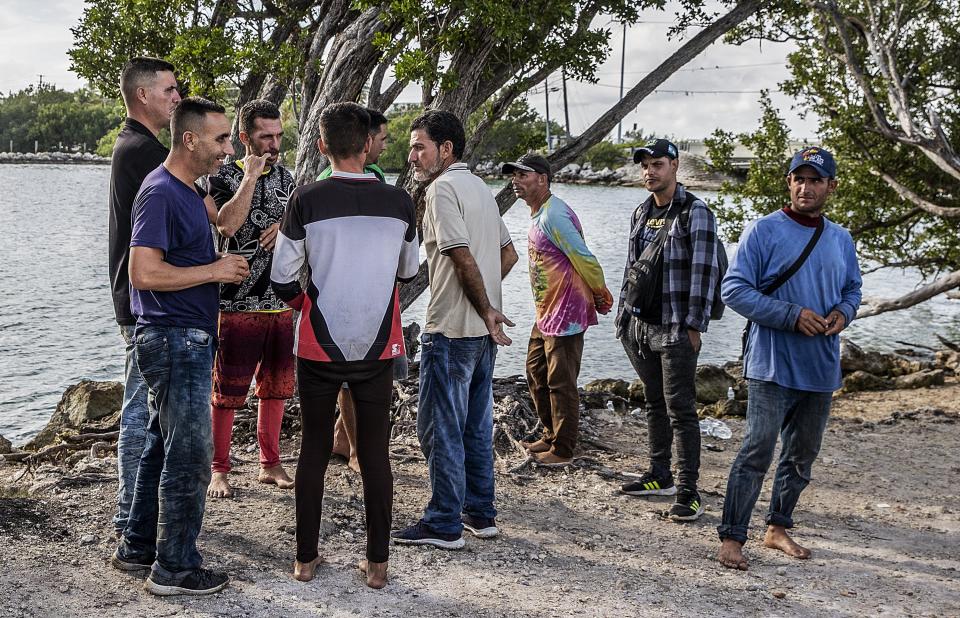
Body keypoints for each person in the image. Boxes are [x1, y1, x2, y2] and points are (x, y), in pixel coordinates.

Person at [270, 102, 419, 589]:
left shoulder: (305, 200)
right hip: (377, 344)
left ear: (322, 146)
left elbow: (282, 279)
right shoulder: (401, 203)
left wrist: (305, 304)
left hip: (319, 344)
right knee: (375, 453)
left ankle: (305, 561)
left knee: (313, 449)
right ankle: (378, 567)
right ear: (368, 144)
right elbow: (409, 272)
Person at [111, 97, 248, 596]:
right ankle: (174, 568)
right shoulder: (161, 191)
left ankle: (137, 546)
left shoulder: (190, 191)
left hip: (184, 337)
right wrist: (215, 269)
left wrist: (217, 264)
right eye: (220, 140)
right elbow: (143, 273)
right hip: (172, 339)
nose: (227, 150)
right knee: (191, 453)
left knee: (158, 445)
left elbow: (217, 231)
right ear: (189, 139)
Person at [717, 147, 861, 570]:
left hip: (820, 366)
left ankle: (778, 527)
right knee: (757, 449)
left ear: (831, 187)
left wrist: (843, 314)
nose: (805, 187)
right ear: (789, 183)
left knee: (801, 455)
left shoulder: (841, 238)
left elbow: (853, 289)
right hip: (771, 364)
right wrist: (793, 315)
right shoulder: (762, 231)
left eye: (815, 180)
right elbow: (734, 290)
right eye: (799, 178)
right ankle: (732, 536)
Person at [392, 110, 518, 550]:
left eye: (419, 146)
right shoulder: (480, 188)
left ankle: (444, 521)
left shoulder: (442, 188)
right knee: (475, 425)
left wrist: (480, 306)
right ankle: (480, 513)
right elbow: (507, 254)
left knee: (437, 425)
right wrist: (488, 307)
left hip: (451, 327)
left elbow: (461, 254)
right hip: (482, 333)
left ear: (446, 149)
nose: (411, 156)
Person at [615, 138, 722, 522]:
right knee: (653, 402)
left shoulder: (696, 213)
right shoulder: (641, 212)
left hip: (675, 327)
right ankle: (659, 474)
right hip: (639, 327)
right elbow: (633, 268)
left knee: (681, 409)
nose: (650, 171)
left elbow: (704, 274)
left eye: (657, 164)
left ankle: (689, 490)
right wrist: (624, 317)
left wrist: (695, 325)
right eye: (644, 165)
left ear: (675, 166)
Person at [205, 99, 297, 499]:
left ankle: (269, 462)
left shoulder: (289, 179)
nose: (274, 144)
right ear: (245, 138)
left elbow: (301, 229)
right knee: (226, 391)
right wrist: (251, 177)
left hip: (280, 301)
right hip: (233, 302)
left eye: (278, 136)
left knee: (276, 387)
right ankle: (218, 468)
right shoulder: (222, 175)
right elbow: (226, 225)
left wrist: (283, 228)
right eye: (266, 137)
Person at [108, 57, 181, 537]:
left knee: (150, 407)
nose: (177, 97)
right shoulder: (142, 152)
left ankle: (138, 510)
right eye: (169, 90)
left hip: (140, 298)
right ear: (143, 96)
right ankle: (130, 515)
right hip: (144, 301)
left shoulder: (138, 146)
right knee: (141, 409)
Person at [502, 153, 613, 467]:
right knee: (535, 373)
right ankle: (550, 435)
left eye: (522, 175)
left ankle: (563, 449)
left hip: (567, 312)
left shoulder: (555, 215)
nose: (515, 182)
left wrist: (600, 293)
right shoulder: (539, 213)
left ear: (542, 178)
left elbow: (584, 258)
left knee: (561, 381)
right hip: (546, 312)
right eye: (513, 175)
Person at [316, 108, 396, 473]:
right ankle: (358, 451)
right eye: (380, 139)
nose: (383, 146)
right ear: (365, 143)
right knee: (352, 381)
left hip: (368, 300)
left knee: (359, 381)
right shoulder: (339, 183)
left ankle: (345, 439)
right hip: (351, 303)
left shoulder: (373, 180)